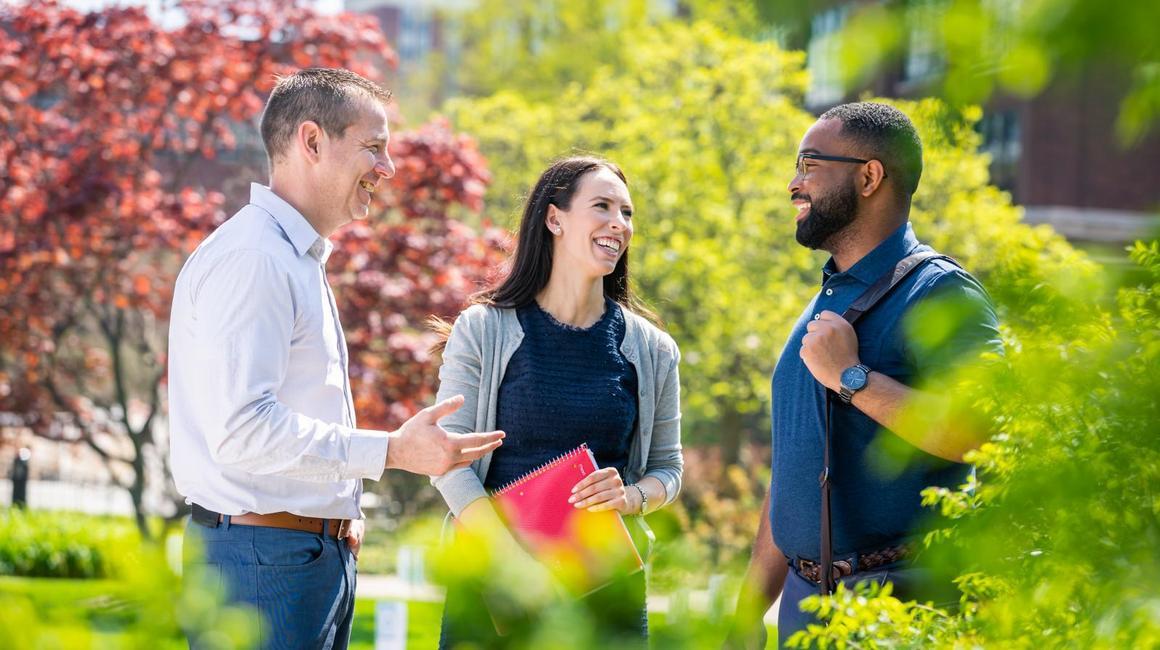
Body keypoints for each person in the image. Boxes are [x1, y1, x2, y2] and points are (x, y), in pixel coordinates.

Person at [168, 68, 505, 650]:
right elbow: (245, 430)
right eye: (373, 147)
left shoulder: (292, 257)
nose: (387, 168)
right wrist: (392, 450)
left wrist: (336, 517)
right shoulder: (258, 260)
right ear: (312, 141)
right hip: (263, 566)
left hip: (297, 558)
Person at [728, 102, 1002, 648]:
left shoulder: (942, 292)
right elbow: (795, 473)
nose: (793, 183)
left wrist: (852, 377)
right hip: (806, 611)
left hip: (901, 611)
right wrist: (744, 615)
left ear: (870, 176)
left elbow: (984, 430)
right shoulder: (827, 301)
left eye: (809, 165)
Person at [429, 156, 684, 648]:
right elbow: (447, 461)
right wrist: (515, 569)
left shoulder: (652, 350)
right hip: (497, 581)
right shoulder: (484, 329)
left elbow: (668, 469)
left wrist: (630, 497)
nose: (620, 224)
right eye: (603, 206)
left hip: (604, 585)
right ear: (554, 218)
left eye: (627, 213)